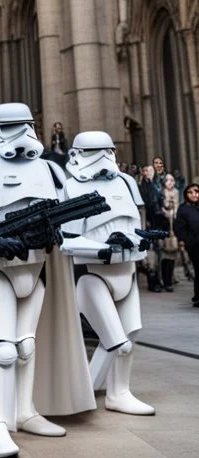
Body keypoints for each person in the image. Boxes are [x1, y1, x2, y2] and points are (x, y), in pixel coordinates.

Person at [0, 102, 94, 458]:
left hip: (36, 269)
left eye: (25, 125)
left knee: (25, 347)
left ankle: (23, 411)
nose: (19, 134)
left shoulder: (48, 169)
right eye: (10, 126)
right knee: (0, 350)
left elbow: (69, 225)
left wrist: (59, 236)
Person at [60, 131, 161, 415]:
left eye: (108, 151)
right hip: (93, 275)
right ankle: (93, 392)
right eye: (96, 152)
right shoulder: (71, 188)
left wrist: (141, 239)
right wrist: (102, 249)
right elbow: (66, 240)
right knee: (119, 342)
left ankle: (114, 392)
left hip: (127, 272)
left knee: (130, 334)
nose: (104, 158)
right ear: (78, 154)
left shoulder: (127, 182)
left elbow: (135, 224)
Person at [173, 182, 199, 307]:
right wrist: (189, 241)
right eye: (191, 192)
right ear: (186, 194)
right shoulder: (183, 209)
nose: (194, 195)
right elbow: (179, 228)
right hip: (195, 245)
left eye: (196, 192)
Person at [158, 174, 179, 292]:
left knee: (172, 255)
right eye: (167, 180)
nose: (170, 182)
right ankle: (163, 280)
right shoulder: (160, 193)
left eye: (172, 180)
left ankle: (169, 280)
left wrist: (173, 213)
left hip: (173, 228)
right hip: (163, 227)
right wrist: (166, 212)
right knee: (163, 255)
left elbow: (176, 207)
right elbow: (160, 207)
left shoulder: (176, 192)